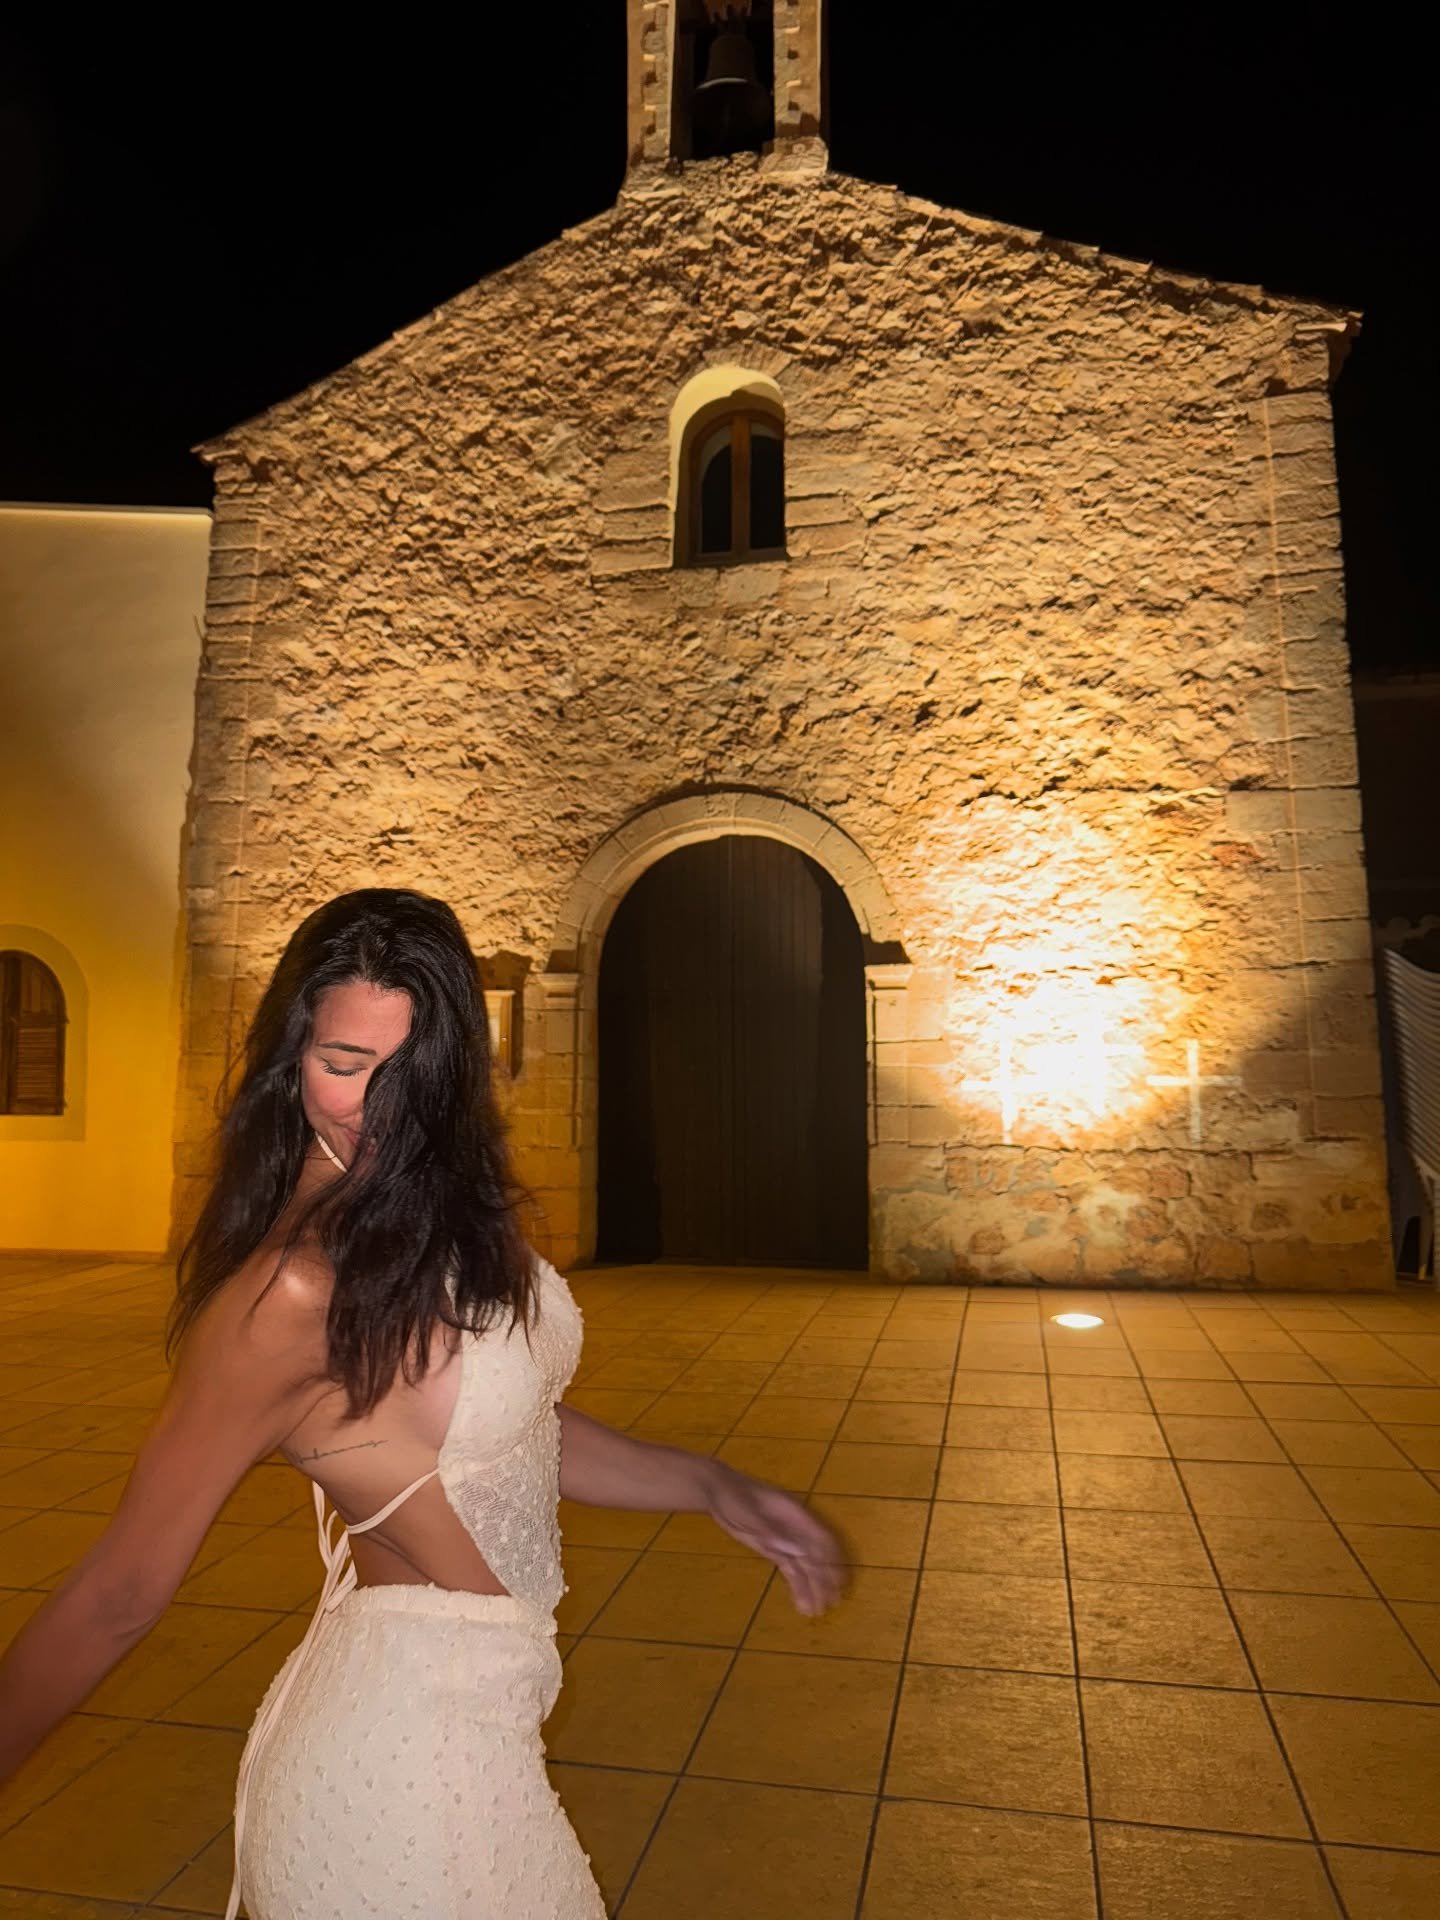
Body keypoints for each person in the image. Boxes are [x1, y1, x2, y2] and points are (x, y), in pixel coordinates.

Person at [0, 889, 847, 1918]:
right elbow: (121, 1592)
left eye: (409, 1074)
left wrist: (709, 1485)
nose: (374, 1107)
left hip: (484, 1745)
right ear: (290, 1056)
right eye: (342, 1063)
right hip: (397, 1778)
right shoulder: (289, 1294)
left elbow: (504, 1434)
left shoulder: (430, 1209)